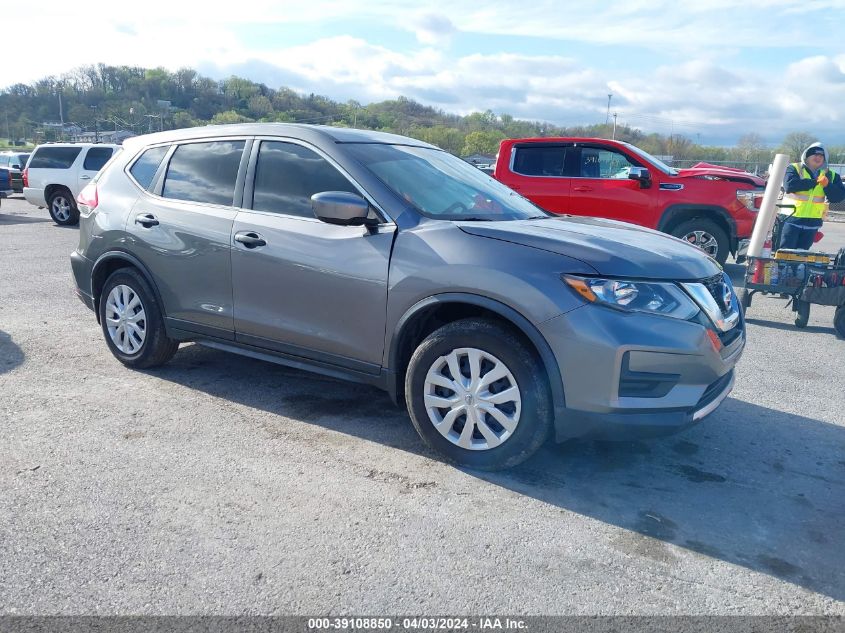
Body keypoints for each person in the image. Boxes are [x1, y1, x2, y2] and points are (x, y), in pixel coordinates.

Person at [781, 143, 845, 250]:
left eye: (821, 156)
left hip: (812, 222)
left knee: (802, 255)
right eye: (815, 154)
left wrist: (827, 185)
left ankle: (798, 267)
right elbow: (789, 186)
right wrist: (814, 182)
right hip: (790, 219)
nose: (818, 157)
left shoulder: (832, 175)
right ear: (806, 156)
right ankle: (782, 267)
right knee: (785, 253)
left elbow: (838, 197)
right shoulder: (794, 168)